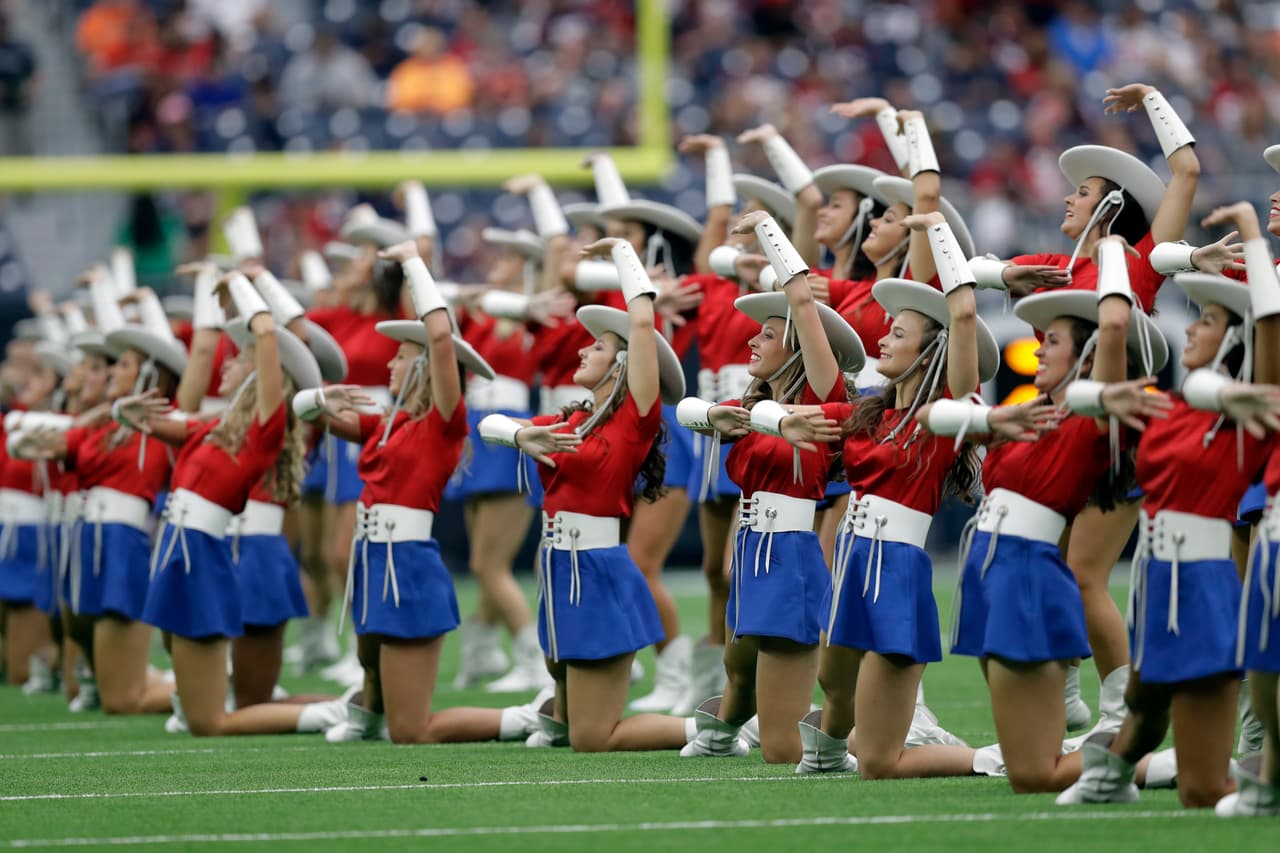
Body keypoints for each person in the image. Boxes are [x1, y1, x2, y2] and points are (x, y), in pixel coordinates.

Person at [967, 83, 1201, 734]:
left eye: (1082, 193)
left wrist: (1153, 98)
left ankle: (1125, 710)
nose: (1067, 198)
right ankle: (1067, 686)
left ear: (1113, 207)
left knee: (1084, 572)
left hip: (1113, 431)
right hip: (1064, 430)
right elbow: (985, 269)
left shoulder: (1138, 261)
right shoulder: (1063, 268)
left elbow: (1186, 171)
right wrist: (992, 273)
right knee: (1054, 562)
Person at [1057, 203, 1280, 809]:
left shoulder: (1250, 413)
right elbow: (1080, 392)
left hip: (1205, 586)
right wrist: (1109, 251)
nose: (1189, 329)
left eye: (1205, 321)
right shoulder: (1164, 406)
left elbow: (1270, 325)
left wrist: (1256, 241)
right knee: (1143, 706)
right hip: (1155, 582)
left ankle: (1261, 787)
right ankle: (1111, 776)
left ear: (1233, 338)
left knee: (1203, 789)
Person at [927, 236, 1168, 793]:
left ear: (1084, 358)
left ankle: (1157, 757)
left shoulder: (1089, 420)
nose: (1035, 350)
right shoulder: (1027, 415)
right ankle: (1130, 759)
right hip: (988, 571)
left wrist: (1109, 250)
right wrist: (991, 424)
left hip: (1026, 573)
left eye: (1052, 341)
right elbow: (935, 415)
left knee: (1033, 775)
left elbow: (1111, 326)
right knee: (1031, 765)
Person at [776, 213, 1001, 777]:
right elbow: (756, 415)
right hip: (853, 559)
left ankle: (996, 758)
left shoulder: (943, 416)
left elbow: (965, 311)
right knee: (832, 682)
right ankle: (827, 753)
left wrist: (938, 230)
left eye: (897, 333)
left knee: (877, 762)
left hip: (896, 568)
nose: (882, 336)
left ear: (929, 355)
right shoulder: (867, 412)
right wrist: (773, 420)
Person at [294, 240, 543, 745]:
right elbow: (304, 412)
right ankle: (365, 714)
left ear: (426, 367)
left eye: (402, 357)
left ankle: (524, 719)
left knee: (412, 732)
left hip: (406, 561)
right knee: (367, 659)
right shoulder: (386, 424)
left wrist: (412, 264)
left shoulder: (441, 424)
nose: (389, 364)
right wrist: (320, 396)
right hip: (371, 554)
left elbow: (442, 337)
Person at [477, 236, 690, 752]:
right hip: (556, 565)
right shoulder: (571, 418)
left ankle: (715, 728)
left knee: (592, 739)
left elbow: (641, 322)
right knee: (568, 725)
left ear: (622, 366)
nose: (581, 347)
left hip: (597, 568)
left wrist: (621, 251)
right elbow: (489, 424)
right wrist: (520, 434)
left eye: (597, 346)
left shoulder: (633, 420)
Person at [114, 273, 341, 736]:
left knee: (227, 712)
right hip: (184, 545)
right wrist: (125, 413)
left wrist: (243, 280)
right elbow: (163, 420)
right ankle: (338, 709)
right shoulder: (214, 428)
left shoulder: (270, 427)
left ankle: (339, 712)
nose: (228, 363)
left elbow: (275, 336)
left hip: (217, 549)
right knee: (222, 704)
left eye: (241, 360)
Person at [677, 212, 863, 763]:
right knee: (737, 670)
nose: (753, 339)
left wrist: (769, 232)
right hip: (751, 547)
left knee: (780, 749)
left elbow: (803, 302)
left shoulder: (828, 400)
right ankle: (718, 733)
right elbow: (686, 407)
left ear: (802, 349)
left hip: (789, 553)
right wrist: (722, 413)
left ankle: (832, 748)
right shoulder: (750, 404)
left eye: (767, 333)